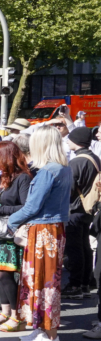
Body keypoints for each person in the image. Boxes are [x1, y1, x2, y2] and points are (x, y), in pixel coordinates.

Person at [8, 127, 73, 341]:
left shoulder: (47, 171)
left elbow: (32, 206)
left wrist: (10, 221)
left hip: (43, 230)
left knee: (42, 282)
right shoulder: (63, 168)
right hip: (54, 229)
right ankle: (42, 330)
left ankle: (51, 335)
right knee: (45, 281)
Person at [0, 141, 32, 333]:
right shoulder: (2, 177)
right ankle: (5, 311)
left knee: (5, 273)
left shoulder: (23, 178)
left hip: (9, 233)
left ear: (7, 157)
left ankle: (16, 315)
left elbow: (26, 207)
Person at [62, 126, 98, 300]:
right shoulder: (94, 158)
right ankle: (85, 282)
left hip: (74, 209)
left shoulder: (76, 162)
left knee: (74, 248)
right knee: (84, 247)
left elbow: (68, 191)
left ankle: (75, 284)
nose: (67, 141)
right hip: (88, 208)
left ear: (76, 141)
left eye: (70, 139)